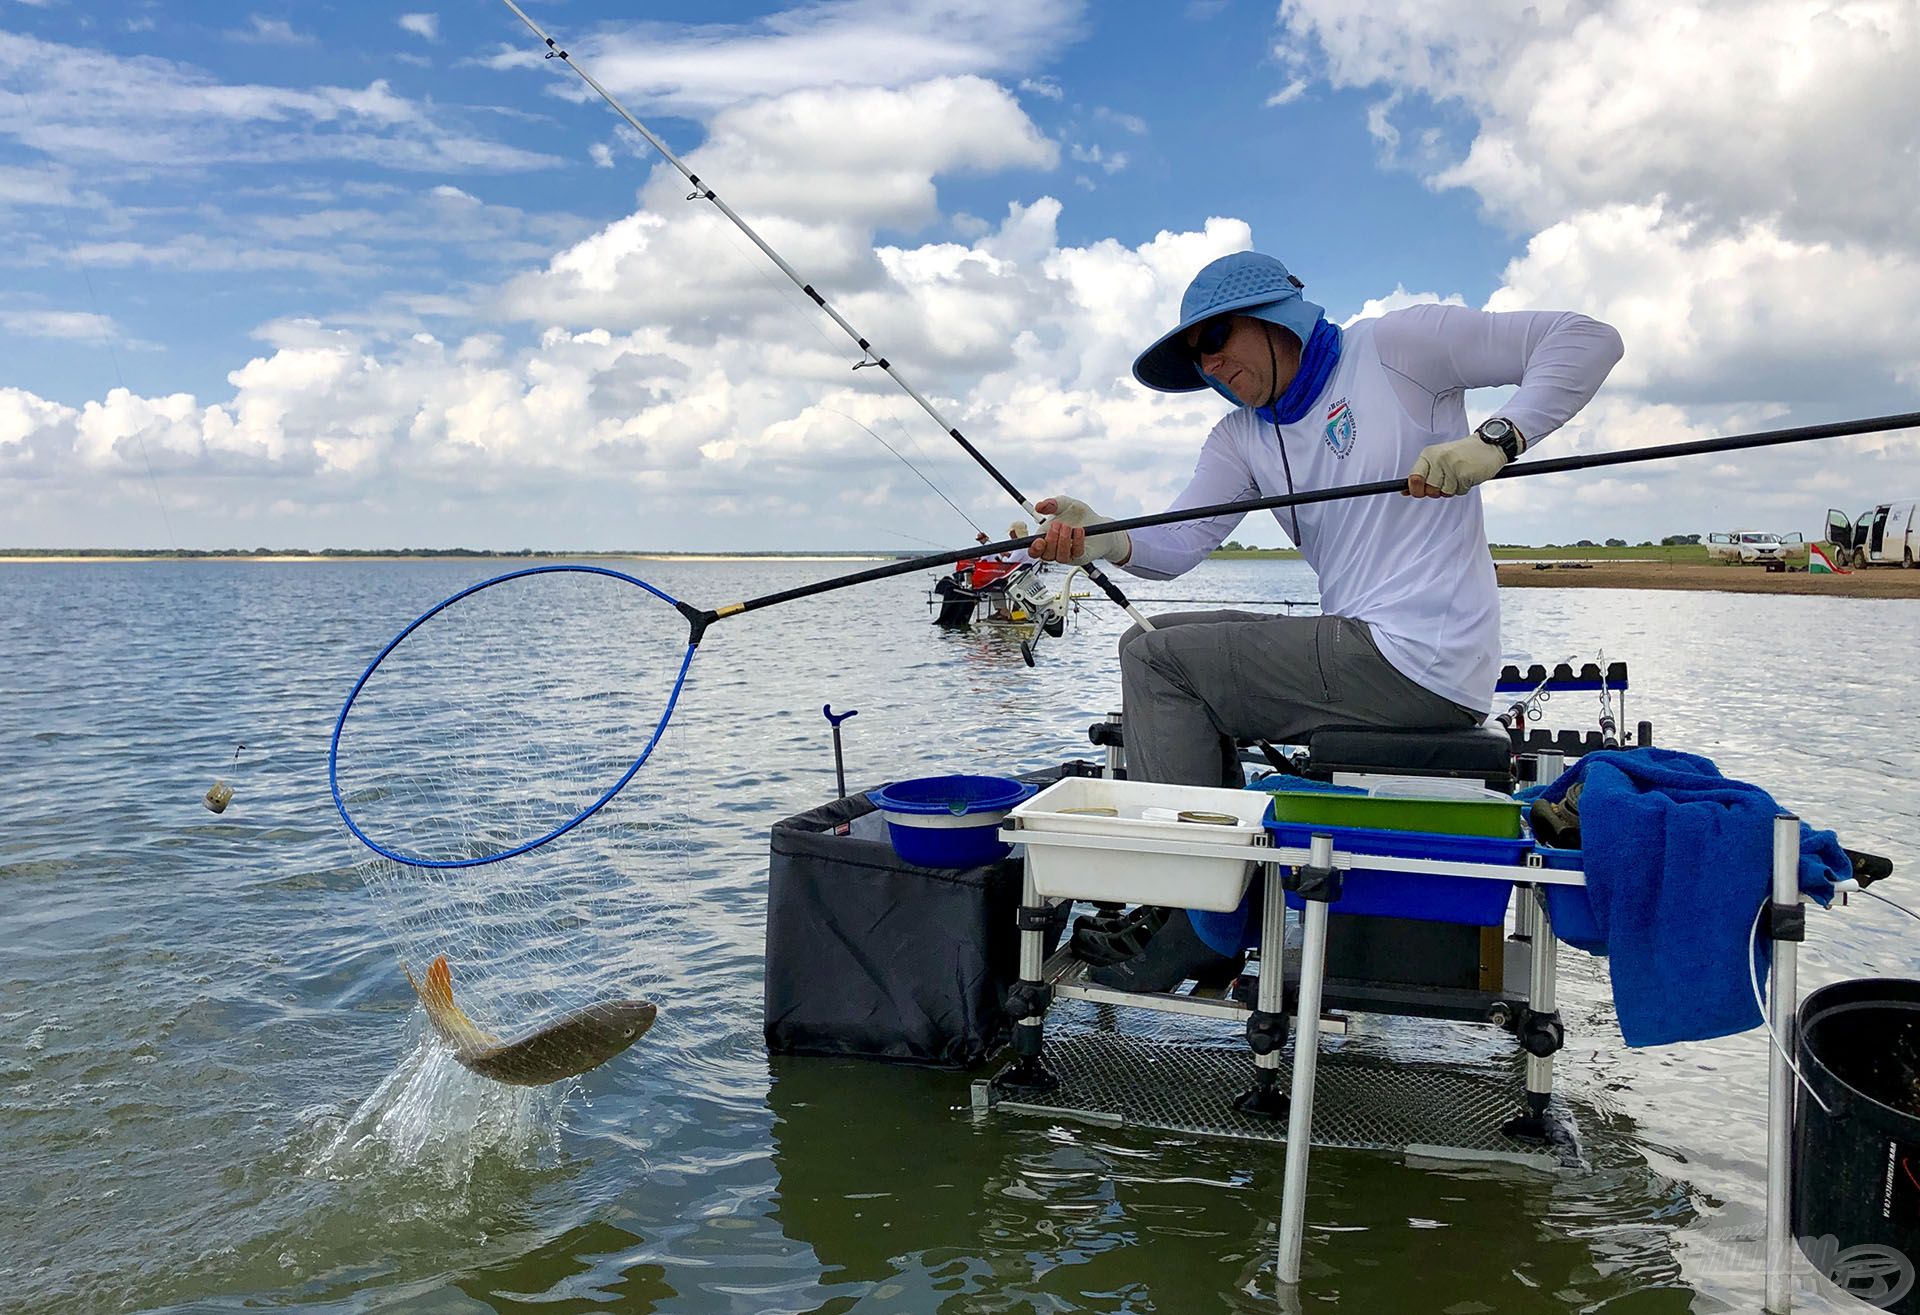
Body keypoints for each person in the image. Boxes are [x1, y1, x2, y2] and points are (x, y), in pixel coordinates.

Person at [1028, 250, 1624, 991]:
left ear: (1276, 319)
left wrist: (1495, 442)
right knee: (1159, 642)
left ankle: (1196, 920)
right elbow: (1178, 544)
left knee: (1157, 665)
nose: (1210, 366)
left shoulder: (1398, 348)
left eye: (1216, 342)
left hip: (1421, 658)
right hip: (1367, 651)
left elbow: (1587, 338)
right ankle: (1220, 901)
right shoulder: (1240, 434)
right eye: (1194, 357)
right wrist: (1102, 537)